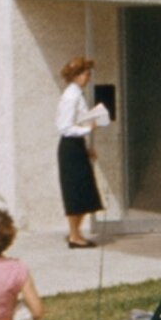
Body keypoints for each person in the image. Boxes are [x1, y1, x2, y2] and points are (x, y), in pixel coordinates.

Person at [55, 56, 112, 248]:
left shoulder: (77, 94)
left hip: (77, 145)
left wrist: (86, 147)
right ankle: (74, 235)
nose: (88, 78)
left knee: (85, 191)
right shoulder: (71, 97)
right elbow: (65, 127)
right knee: (75, 191)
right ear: (77, 76)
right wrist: (89, 129)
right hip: (70, 147)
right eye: (86, 74)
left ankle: (76, 233)